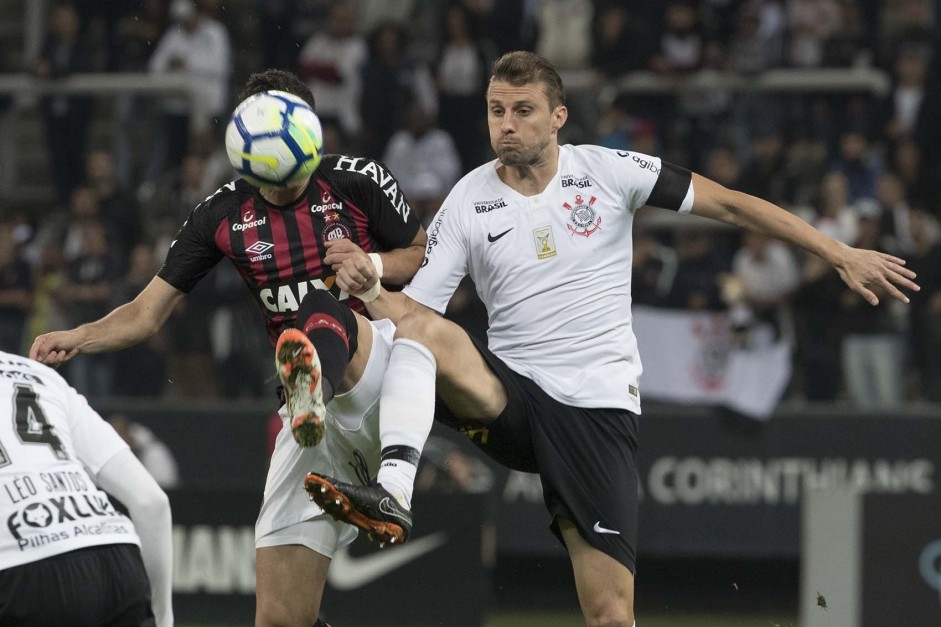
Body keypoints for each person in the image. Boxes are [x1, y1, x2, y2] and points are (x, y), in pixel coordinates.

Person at [304, 51, 921, 627]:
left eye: (523, 111)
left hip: (596, 408)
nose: (507, 126)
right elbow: (416, 314)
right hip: (510, 397)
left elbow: (731, 206)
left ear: (558, 117)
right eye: (497, 111)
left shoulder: (609, 171)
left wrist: (836, 251)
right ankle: (387, 483)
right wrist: (368, 280)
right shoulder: (467, 198)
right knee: (402, 327)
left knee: (609, 612)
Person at [30, 69, 427, 626]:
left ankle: (314, 377)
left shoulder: (356, 179)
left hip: (379, 367)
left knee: (324, 309)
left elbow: (421, 252)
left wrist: (375, 266)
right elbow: (147, 313)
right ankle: (307, 390)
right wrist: (80, 336)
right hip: (306, 415)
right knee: (279, 618)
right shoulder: (220, 215)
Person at [0, 350, 172, 626]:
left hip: (21, 568)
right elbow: (152, 502)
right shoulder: (38, 374)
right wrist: (163, 619)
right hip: (115, 558)